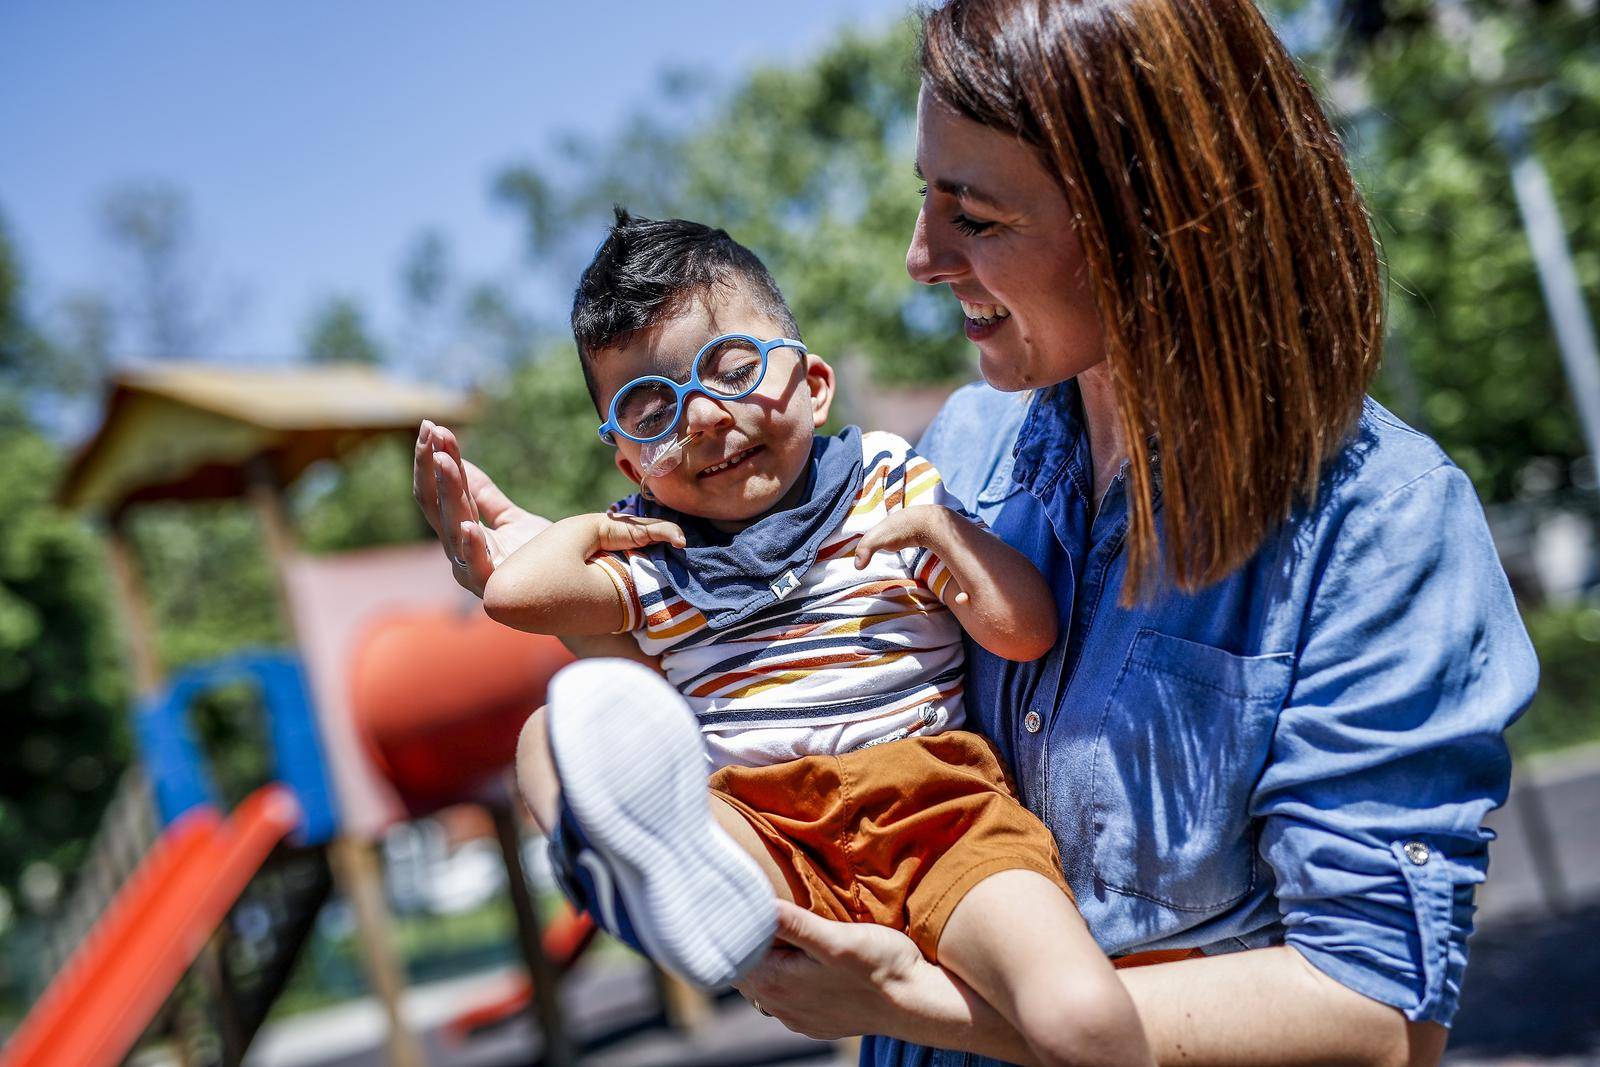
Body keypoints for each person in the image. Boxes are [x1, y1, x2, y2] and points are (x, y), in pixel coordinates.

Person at [414, 0, 1538, 1062]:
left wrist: (925, 1006)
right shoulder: (968, 447)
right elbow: (749, 693)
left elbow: (1377, 1015)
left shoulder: (1377, 523)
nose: (920, 254)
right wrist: (590, 633)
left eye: (976, 214)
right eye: (924, 197)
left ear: (1150, 220)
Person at [480, 209, 1154, 1067]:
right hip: (758, 828)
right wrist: (585, 528)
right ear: (628, 461)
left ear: (814, 383)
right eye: (652, 411)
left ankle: (663, 870)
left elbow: (1025, 633)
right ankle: (644, 873)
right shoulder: (654, 555)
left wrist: (948, 537)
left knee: (1084, 1015)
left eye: (731, 370)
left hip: (936, 814)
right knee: (551, 732)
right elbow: (514, 593)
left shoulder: (885, 487)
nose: (704, 418)